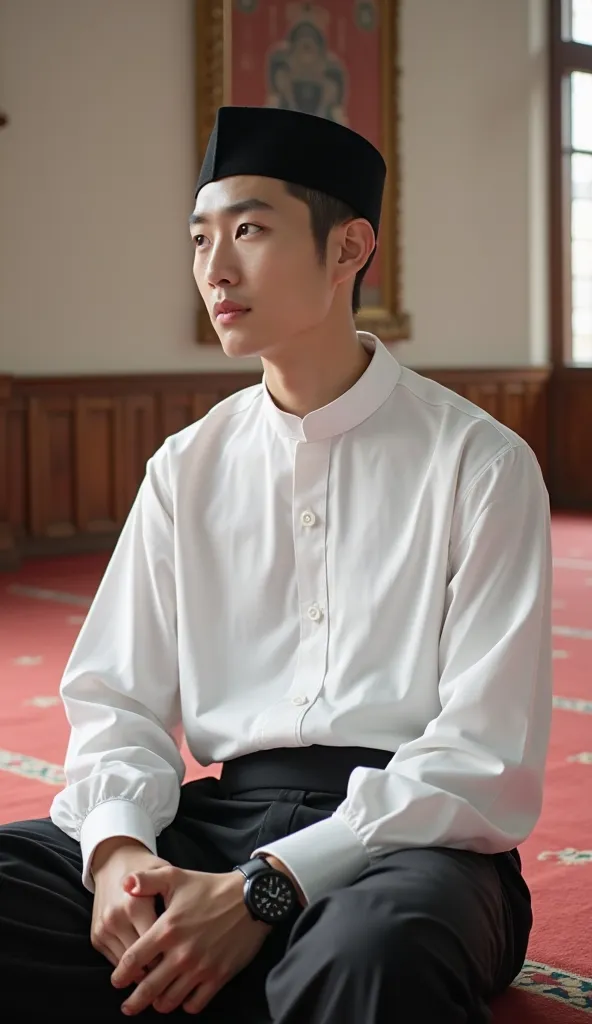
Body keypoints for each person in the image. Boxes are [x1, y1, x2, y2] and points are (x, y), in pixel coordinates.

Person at [0, 105, 552, 1023]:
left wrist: (270, 891)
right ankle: (228, 964)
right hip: (217, 820)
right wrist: (120, 854)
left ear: (349, 249)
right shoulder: (188, 467)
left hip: (412, 844)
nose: (215, 268)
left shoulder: (479, 463)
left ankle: (248, 964)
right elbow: (117, 700)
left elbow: (483, 758)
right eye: (199, 238)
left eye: (250, 230)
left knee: (375, 958)